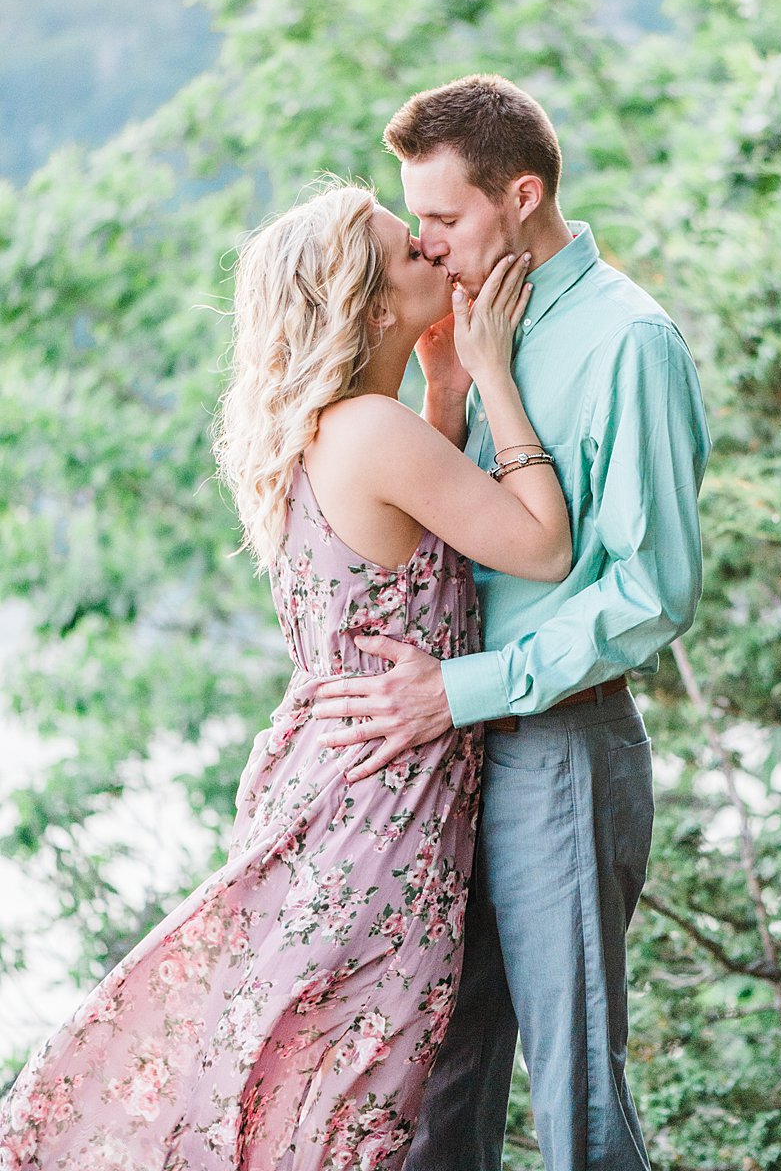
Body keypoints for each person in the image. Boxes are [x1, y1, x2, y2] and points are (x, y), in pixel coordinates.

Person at [0, 181, 570, 1171]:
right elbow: (542, 546)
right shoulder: (368, 433)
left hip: (336, 788)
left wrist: (443, 391)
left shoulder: (339, 432)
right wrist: (495, 377)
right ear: (373, 307)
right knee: (348, 1111)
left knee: (306, 1090)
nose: (437, 253)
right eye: (410, 254)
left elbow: (410, 541)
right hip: (374, 822)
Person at [313, 77, 711, 1171]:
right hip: (440, 766)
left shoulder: (627, 344)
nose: (429, 246)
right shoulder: (466, 326)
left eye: (443, 219)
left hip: (558, 754)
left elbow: (650, 592)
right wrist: (445, 392)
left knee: (577, 1099)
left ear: (521, 194)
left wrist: (458, 690)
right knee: (437, 1084)